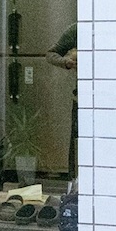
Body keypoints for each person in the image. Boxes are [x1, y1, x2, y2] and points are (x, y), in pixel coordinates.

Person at [46, 23, 78, 176]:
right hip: (81, 98)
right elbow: (51, 54)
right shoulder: (77, 29)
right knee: (77, 143)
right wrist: (66, 62)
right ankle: (74, 180)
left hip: (109, 97)